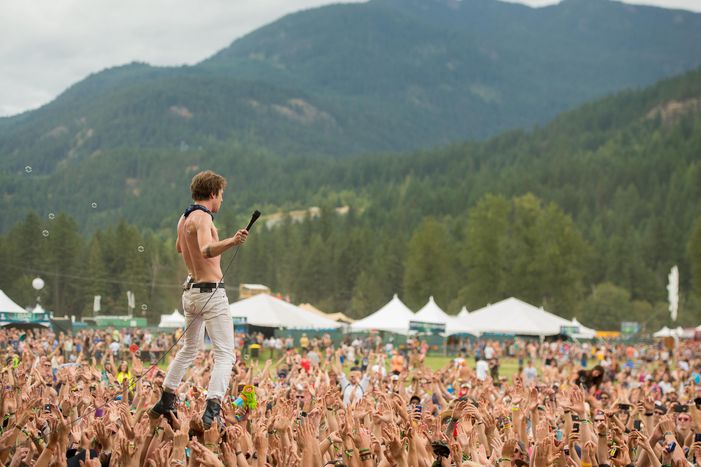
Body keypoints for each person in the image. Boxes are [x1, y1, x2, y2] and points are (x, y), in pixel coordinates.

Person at [149, 170, 248, 429]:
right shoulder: (203, 217)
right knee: (226, 354)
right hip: (211, 293)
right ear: (213, 193)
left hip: (190, 292)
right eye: (222, 195)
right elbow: (205, 250)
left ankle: (166, 398)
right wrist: (232, 241)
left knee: (189, 349)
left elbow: (180, 248)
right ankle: (212, 409)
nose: (222, 201)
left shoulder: (184, 218)